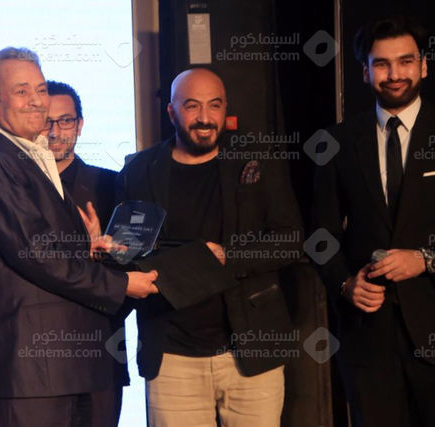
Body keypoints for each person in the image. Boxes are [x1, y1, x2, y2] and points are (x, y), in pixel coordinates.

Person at [0, 47, 158, 427]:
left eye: (40, 89)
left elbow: (34, 243)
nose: (36, 100)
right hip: (30, 373)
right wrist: (121, 284)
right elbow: (37, 253)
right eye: (21, 91)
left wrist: (85, 245)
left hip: (66, 368)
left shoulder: (26, 155)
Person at [116, 67, 303, 426]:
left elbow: (290, 240)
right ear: (171, 111)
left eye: (214, 105)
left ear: (225, 108)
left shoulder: (257, 159)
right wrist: (109, 247)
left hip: (252, 351)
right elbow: (129, 253)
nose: (204, 117)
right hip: (172, 357)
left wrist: (228, 256)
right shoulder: (138, 170)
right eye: (192, 106)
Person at [311, 15, 435, 426]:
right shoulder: (337, 141)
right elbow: (320, 235)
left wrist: (426, 258)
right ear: (365, 71)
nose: (394, 74)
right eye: (382, 64)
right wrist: (344, 283)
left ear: (424, 65)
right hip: (367, 339)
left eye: (405, 61)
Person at [41, 80, 128, 426]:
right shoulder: (15, 188)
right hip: (34, 360)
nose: (55, 132)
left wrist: (101, 256)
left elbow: (133, 272)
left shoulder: (112, 185)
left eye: (65, 121)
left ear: (79, 124)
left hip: (99, 355)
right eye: (46, 121)